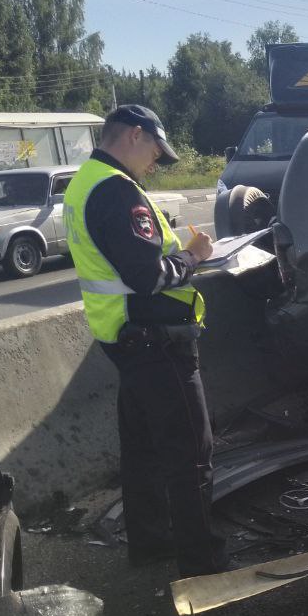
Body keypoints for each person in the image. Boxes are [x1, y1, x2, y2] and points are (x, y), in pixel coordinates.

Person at [63, 105, 230, 577]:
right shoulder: (118, 192)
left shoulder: (85, 182)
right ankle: (204, 564)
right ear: (134, 136)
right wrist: (195, 257)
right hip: (155, 341)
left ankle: (152, 544)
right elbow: (145, 274)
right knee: (191, 456)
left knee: (143, 451)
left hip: (122, 336)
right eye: (156, 150)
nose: (157, 162)